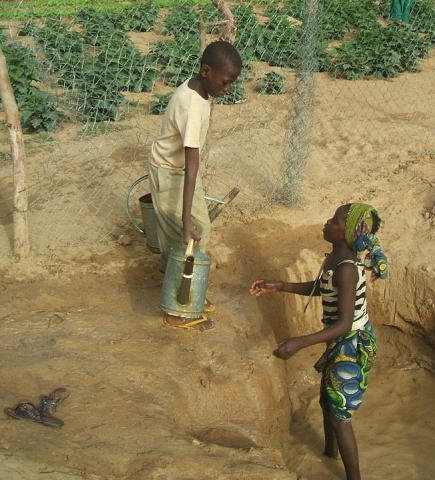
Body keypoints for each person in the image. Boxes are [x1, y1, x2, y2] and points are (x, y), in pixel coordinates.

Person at [250, 203, 388, 480]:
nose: (327, 222)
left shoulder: (347, 269)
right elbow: (321, 288)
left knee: (339, 416)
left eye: (334, 221)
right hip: (341, 338)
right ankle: (328, 454)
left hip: (352, 343)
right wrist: (281, 285)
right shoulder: (336, 258)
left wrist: (300, 342)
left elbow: (344, 323)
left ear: (347, 233)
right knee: (328, 401)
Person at [148, 41, 242, 331]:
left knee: (199, 232)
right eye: (225, 82)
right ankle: (178, 310)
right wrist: (186, 219)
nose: (228, 88)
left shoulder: (201, 91)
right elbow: (191, 165)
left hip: (181, 171)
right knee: (184, 236)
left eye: (232, 82)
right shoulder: (191, 105)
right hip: (170, 172)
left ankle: (183, 285)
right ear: (206, 71)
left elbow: (191, 167)